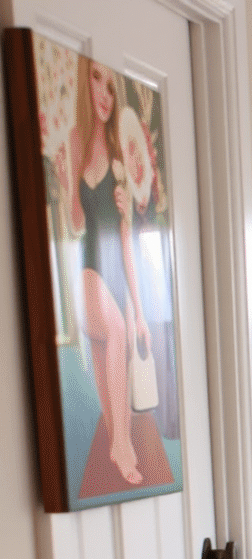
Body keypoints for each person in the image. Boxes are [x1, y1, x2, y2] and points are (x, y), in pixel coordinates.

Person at [55, 58, 151, 487]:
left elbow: (126, 241)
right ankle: (122, 445)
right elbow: (76, 223)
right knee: (116, 332)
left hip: (115, 275)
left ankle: (116, 441)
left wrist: (141, 308)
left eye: (112, 87)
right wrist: (63, 182)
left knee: (114, 345)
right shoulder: (76, 142)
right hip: (90, 271)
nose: (106, 95)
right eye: (98, 81)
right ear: (85, 84)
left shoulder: (118, 158)